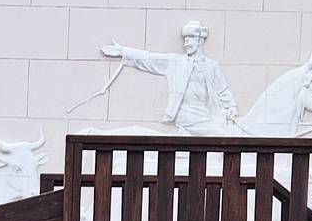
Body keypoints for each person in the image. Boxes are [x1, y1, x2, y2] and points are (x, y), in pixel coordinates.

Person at [102, 21, 237, 135]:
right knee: (220, 134)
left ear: (200, 41)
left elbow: (222, 90)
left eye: (189, 40)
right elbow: (149, 58)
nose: (185, 44)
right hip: (186, 114)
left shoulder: (212, 65)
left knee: (227, 130)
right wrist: (124, 51)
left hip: (205, 113)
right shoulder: (176, 62)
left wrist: (231, 107)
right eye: (184, 40)